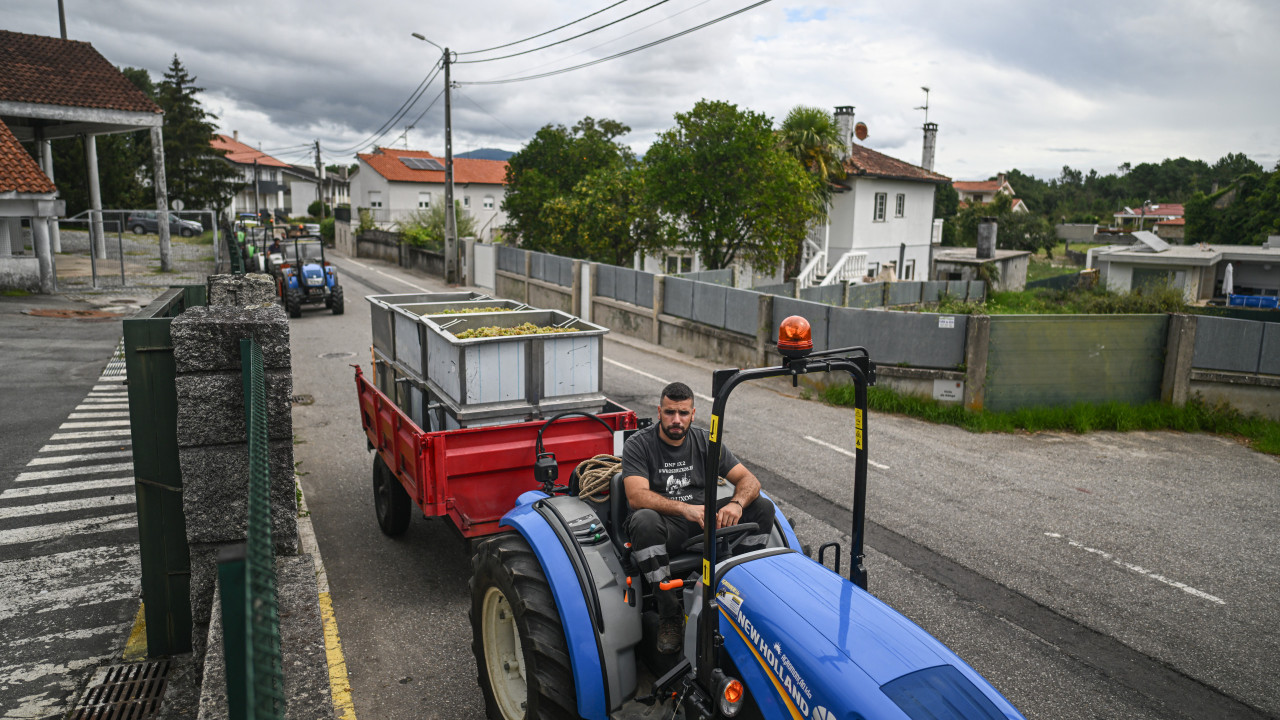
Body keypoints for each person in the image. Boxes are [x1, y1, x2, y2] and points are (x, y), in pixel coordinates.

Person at [621, 381, 775, 654]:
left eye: (683, 413)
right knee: (643, 520)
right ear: (659, 411)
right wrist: (684, 508)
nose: (676, 420)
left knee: (761, 508)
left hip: (706, 522)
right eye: (670, 412)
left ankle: (736, 592)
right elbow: (636, 496)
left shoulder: (706, 441)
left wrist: (737, 504)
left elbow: (748, 479)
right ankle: (669, 613)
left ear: (693, 413)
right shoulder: (638, 445)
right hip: (665, 526)